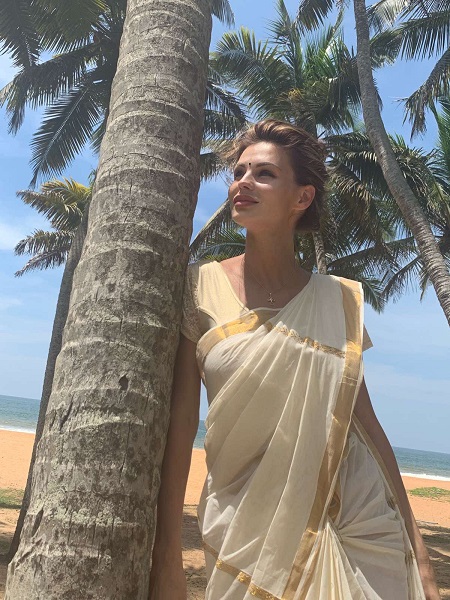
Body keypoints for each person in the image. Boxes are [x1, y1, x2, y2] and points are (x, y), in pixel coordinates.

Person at [149, 120, 440, 599]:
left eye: (263, 173)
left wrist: (421, 557)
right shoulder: (199, 288)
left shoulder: (338, 302)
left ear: (302, 198)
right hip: (240, 524)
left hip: (350, 523)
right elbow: (180, 425)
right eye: (239, 172)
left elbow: (365, 425)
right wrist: (167, 558)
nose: (242, 182)